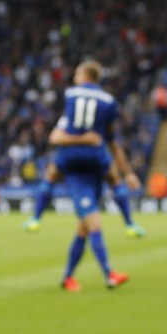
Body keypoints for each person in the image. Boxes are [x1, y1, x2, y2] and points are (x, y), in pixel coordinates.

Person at [49, 60, 131, 292]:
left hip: (90, 172)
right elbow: (55, 138)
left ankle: (67, 277)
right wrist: (85, 139)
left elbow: (111, 141)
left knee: (83, 229)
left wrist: (128, 172)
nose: (74, 76)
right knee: (94, 224)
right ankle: (109, 274)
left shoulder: (76, 107)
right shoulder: (80, 116)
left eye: (76, 72)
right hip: (77, 174)